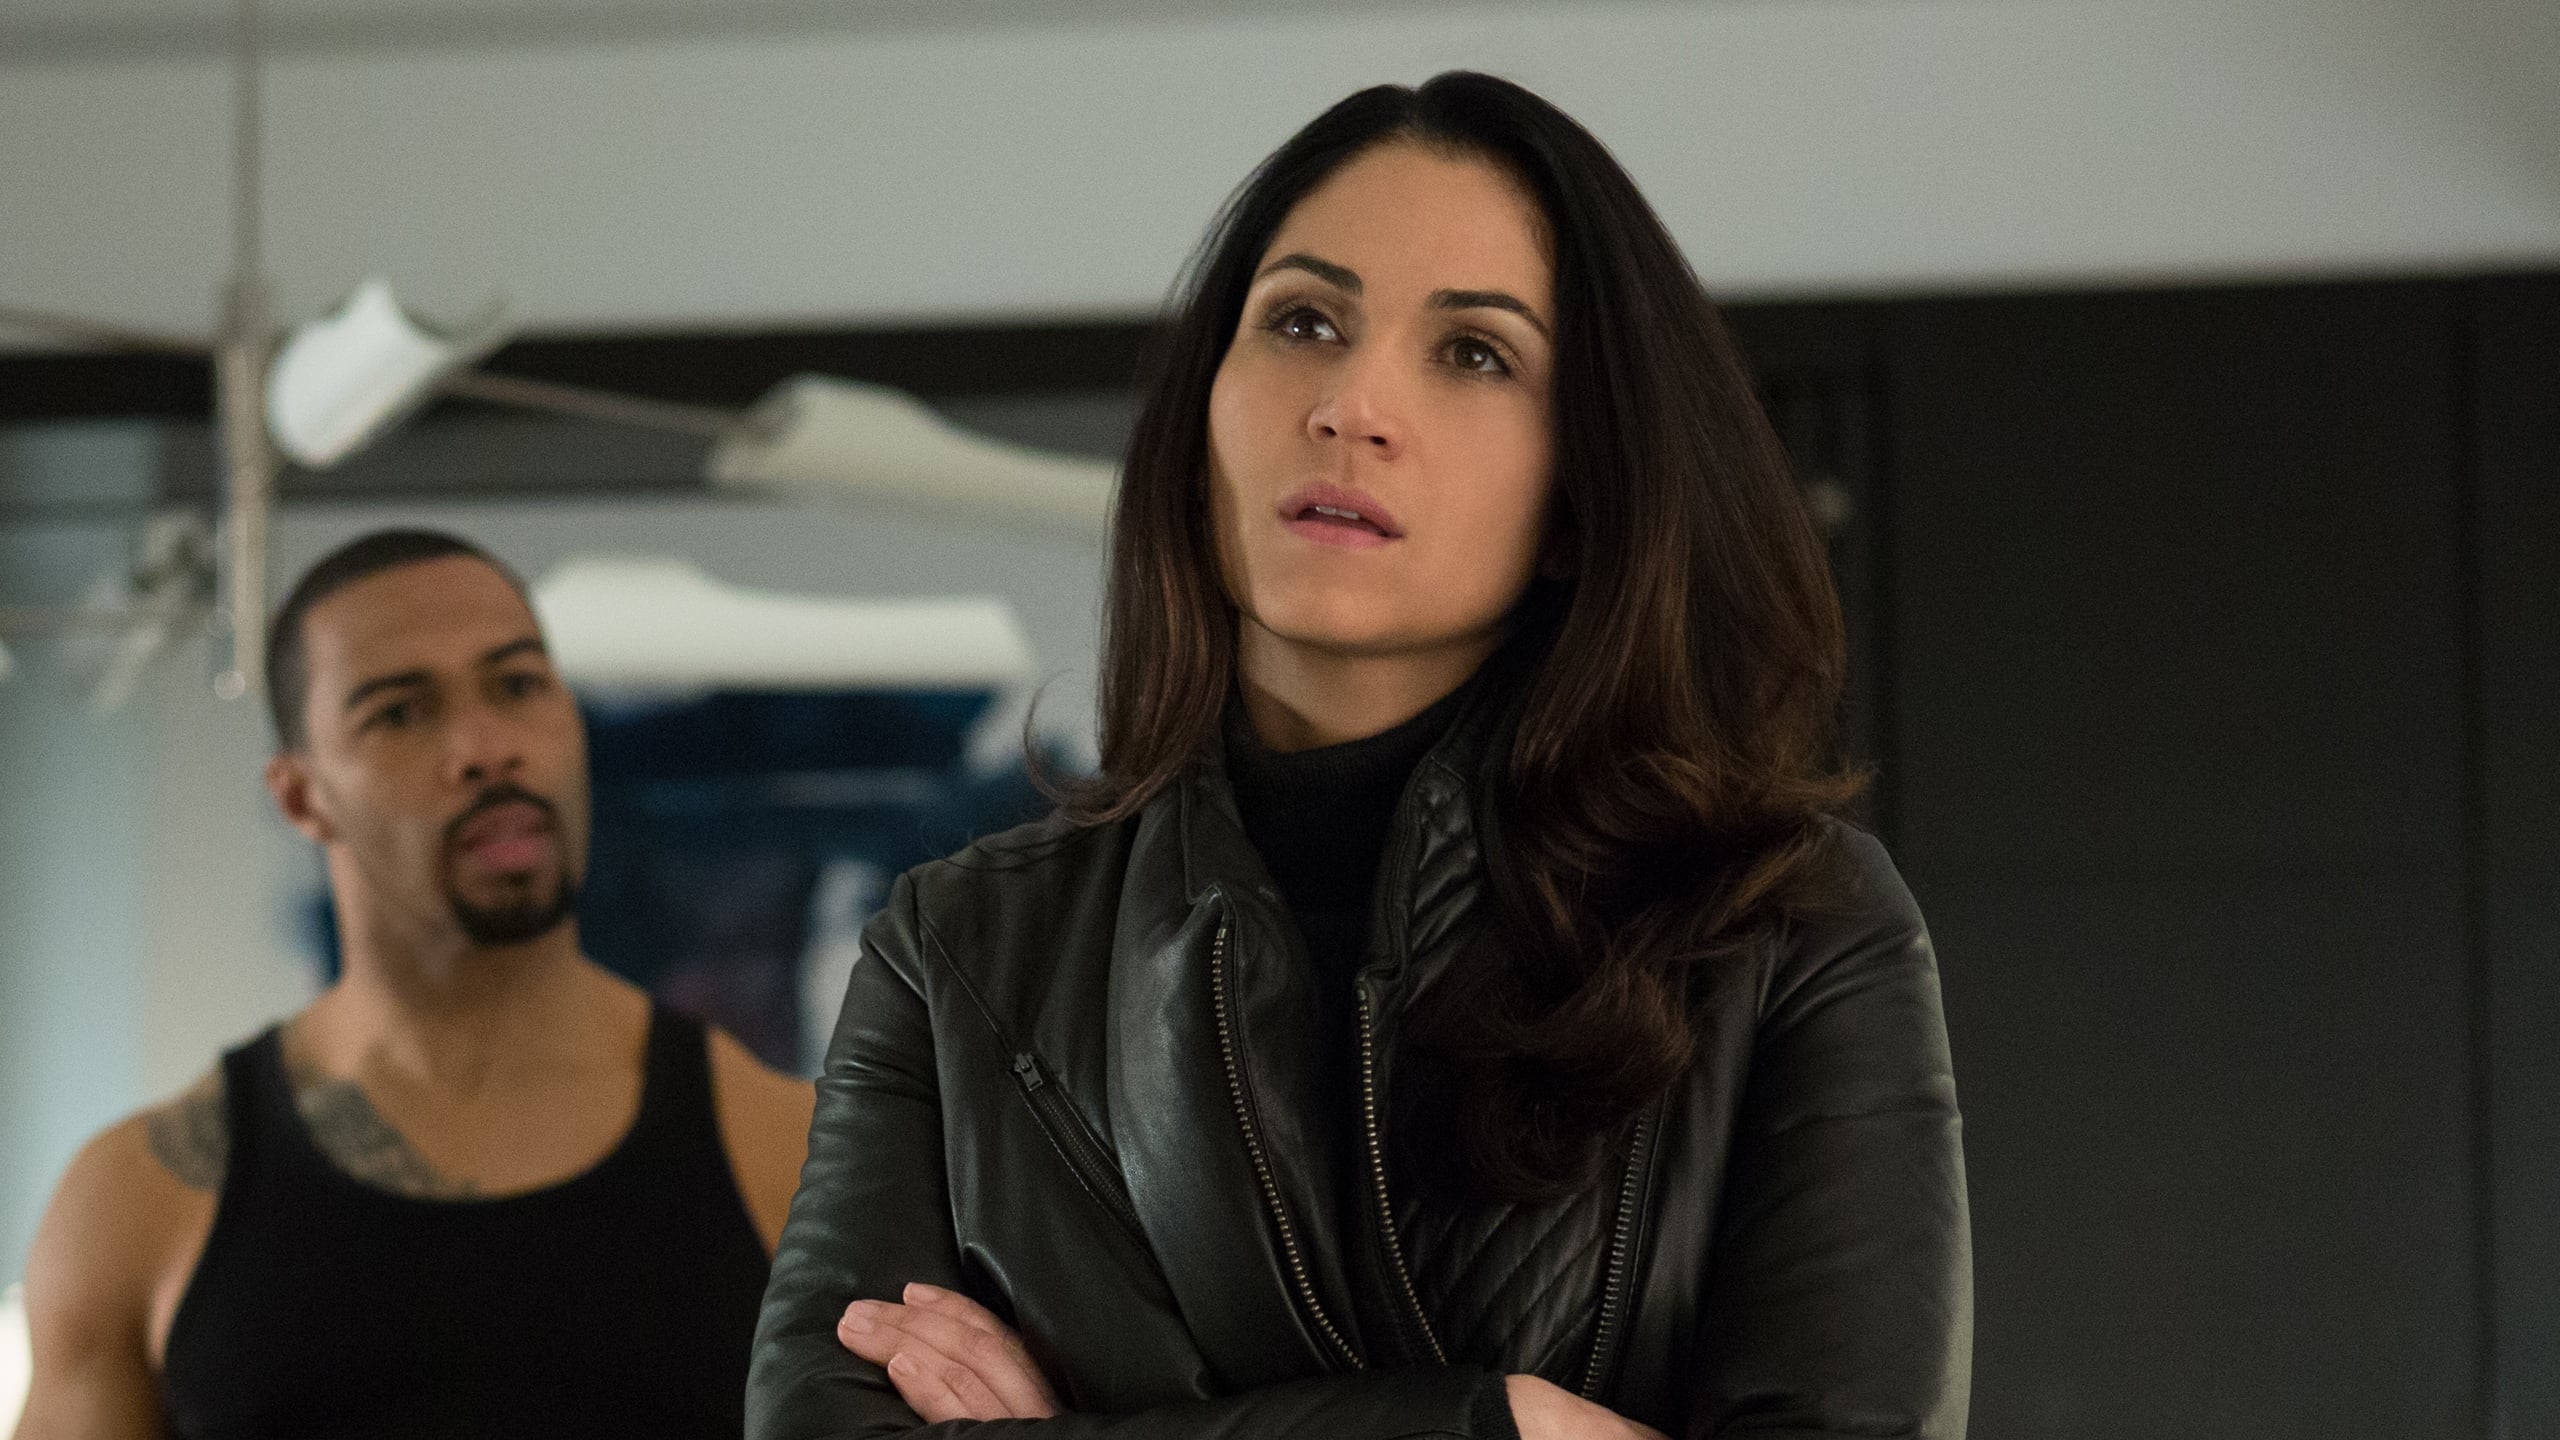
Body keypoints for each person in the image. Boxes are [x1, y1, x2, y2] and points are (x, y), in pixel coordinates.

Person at [750, 71, 1970, 1440]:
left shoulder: (1788, 929)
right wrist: (1489, 1427)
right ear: (1202, 416)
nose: (1349, 403)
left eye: (1474, 353)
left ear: (1583, 495)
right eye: (1303, 321)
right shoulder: (961, 953)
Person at [16, 530, 815, 1439]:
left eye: (518, 686)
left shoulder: (788, 1160)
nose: (486, 748)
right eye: (401, 713)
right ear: (302, 796)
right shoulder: (140, 1201)